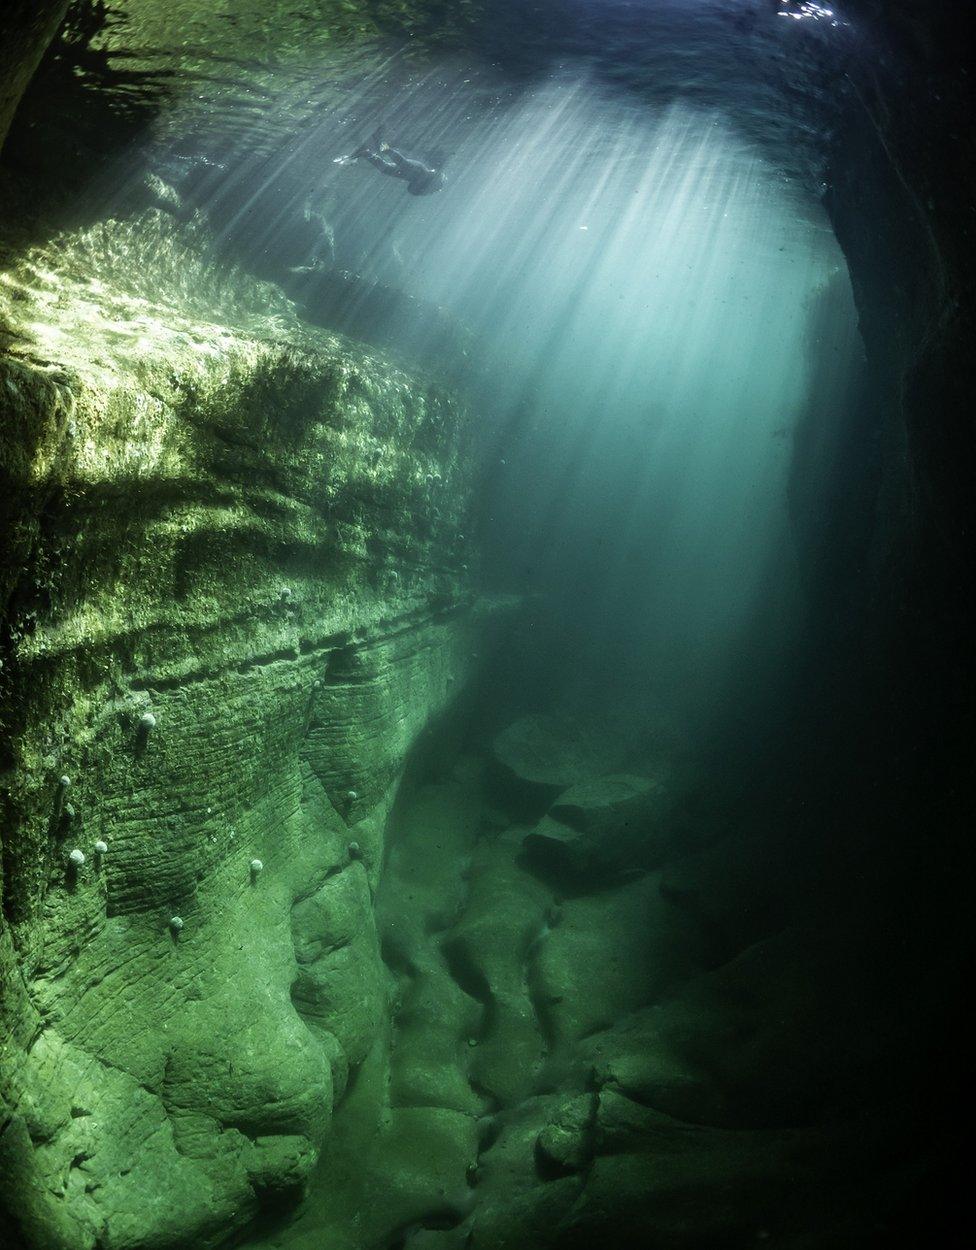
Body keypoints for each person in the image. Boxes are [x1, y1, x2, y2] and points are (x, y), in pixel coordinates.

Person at [334, 131, 446, 196]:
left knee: (385, 168)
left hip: (407, 173)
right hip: (412, 170)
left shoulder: (424, 182)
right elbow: (403, 162)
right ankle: (377, 141)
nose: (432, 192)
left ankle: (367, 151)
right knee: (393, 162)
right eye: (433, 190)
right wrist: (388, 151)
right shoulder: (423, 175)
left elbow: (412, 190)